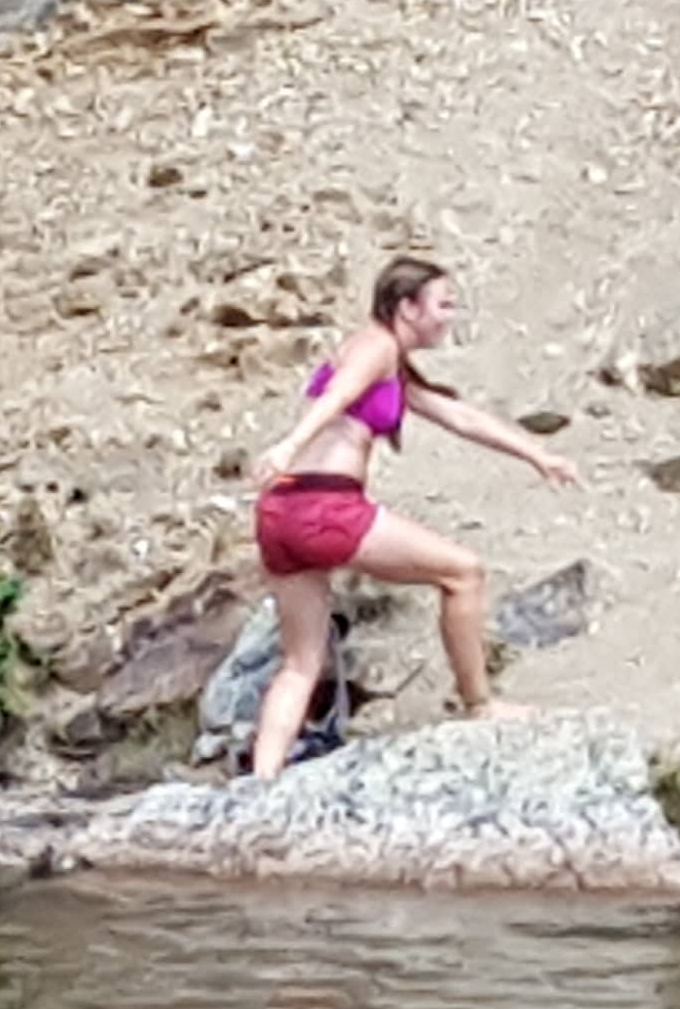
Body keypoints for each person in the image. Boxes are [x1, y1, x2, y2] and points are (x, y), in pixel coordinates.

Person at [244, 255, 581, 776]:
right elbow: (340, 394)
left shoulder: (389, 362)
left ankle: (261, 784)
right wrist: (289, 444)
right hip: (324, 506)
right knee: (463, 572)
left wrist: (536, 454)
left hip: (280, 511)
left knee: (300, 663)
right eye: (443, 304)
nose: (450, 315)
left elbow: (459, 416)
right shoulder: (376, 345)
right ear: (407, 307)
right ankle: (479, 704)